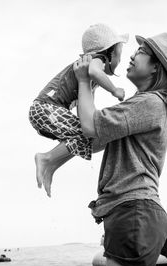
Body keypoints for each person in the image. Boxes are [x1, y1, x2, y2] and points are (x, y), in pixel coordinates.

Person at [73, 32, 167, 266]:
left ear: (157, 67)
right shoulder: (145, 105)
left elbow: (89, 126)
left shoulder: (149, 103)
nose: (133, 54)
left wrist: (84, 81)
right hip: (136, 212)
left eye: (142, 52)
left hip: (133, 212)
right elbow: (93, 142)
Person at [29, 23, 128, 197]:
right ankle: (46, 159)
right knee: (90, 134)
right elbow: (96, 72)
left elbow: (86, 113)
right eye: (120, 52)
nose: (120, 59)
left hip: (44, 110)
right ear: (110, 51)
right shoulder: (97, 59)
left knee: (87, 135)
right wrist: (114, 90)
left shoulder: (89, 71)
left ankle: (51, 165)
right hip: (46, 108)